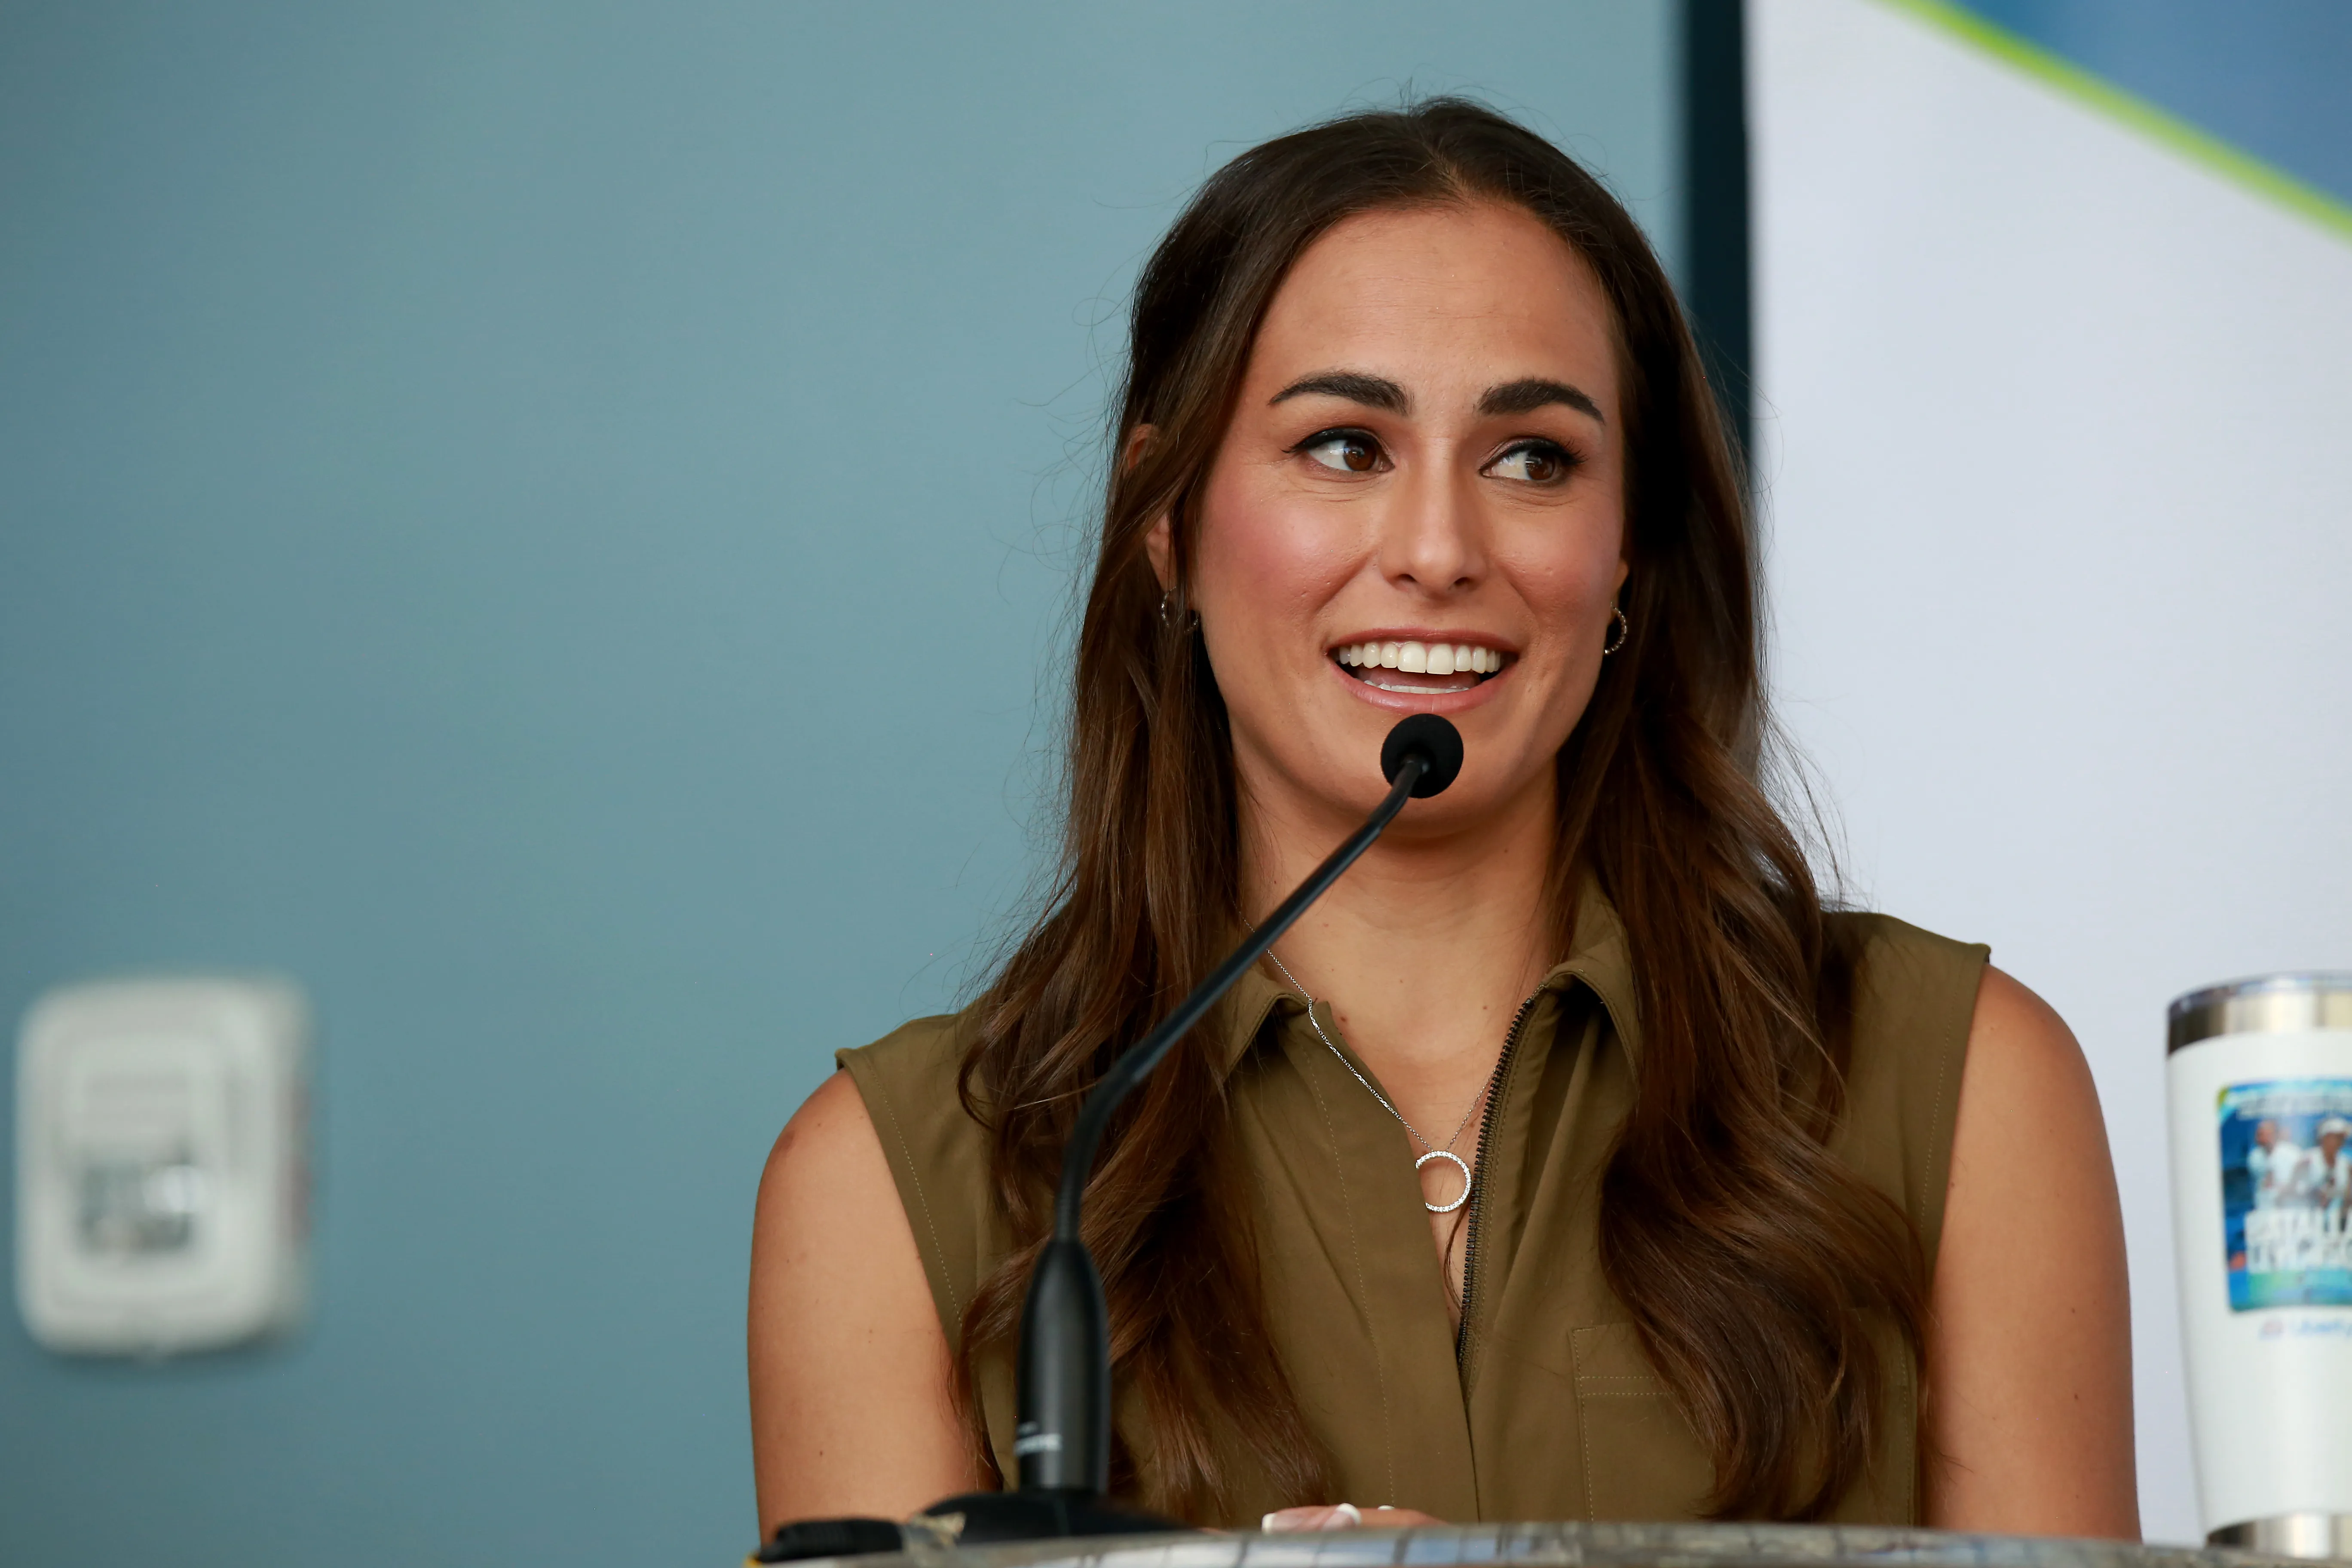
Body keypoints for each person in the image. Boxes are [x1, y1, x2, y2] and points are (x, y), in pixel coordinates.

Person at [747, 100, 2137, 1539]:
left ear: (1628, 558)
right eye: (1344, 447)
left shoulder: (1968, 1086)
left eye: (1533, 457)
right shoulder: (885, 1187)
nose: (1437, 552)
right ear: (1165, 525)